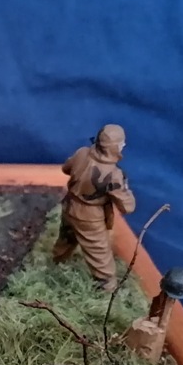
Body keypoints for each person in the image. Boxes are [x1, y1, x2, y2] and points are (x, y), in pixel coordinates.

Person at [52, 124, 136, 292]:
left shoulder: (81, 153)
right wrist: (125, 188)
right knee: (98, 250)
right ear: (115, 147)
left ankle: (57, 260)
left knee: (67, 236)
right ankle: (107, 286)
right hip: (90, 216)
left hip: (70, 204)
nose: (123, 146)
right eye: (121, 144)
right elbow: (128, 207)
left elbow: (66, 168)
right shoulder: (114, 174)